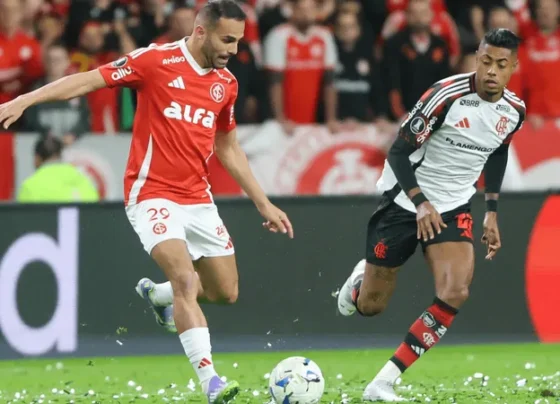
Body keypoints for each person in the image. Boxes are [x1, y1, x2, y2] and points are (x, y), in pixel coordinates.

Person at [0, 1, 293, 403]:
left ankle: (160, 295)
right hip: (151, 192)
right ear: (201, 31)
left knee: (225, 292)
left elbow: (228, 147)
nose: (234, 49)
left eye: (238, 41)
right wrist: (24, 101)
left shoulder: (225, 84)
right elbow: (88, 80)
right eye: (227, 39)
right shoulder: (155, 61)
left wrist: (263, 202)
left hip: (198, 198)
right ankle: (211, 381)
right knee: (185, 280)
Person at [336, 28, 525, 402]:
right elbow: (397, 152)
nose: (492, 71)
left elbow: (498, 152)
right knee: (371, 307)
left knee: (455, 292)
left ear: (513, 67)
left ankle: (383, 382)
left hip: (453, 207)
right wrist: (421, 202)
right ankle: (360, 280)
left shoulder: (514, 110)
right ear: (476, 59)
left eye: (501, 65)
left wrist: (491, 211)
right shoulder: (445, 96)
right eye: (486, 61)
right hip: (404, 203)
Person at [17, 135, 99, 203]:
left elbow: (23, 216)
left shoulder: (29, 186)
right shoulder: (85, 181)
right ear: (61, 155)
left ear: (37, 158)